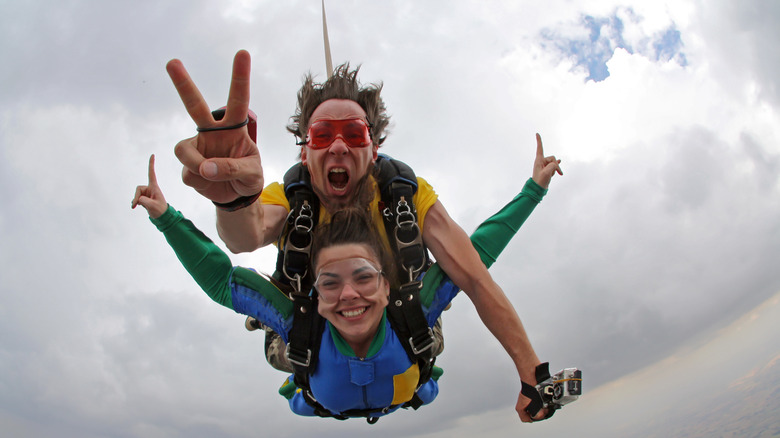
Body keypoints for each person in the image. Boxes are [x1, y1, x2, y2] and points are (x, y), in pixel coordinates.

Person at [165, 50, 563, 422]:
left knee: (433, 312)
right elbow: (245, 237)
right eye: (322, 135)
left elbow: (475, 275)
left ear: (374, 149)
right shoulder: (291, 199)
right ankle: (304, 374)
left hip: (405, 324)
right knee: (289, 339)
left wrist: (532, 372)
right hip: (309, 328)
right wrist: (234, 199)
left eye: (354, 133)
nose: (338, 145)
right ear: (305, 152)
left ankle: (413, 376)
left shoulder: (406, 196)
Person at [133, 148, 556, 420]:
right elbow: (224, 280)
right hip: (323, 390)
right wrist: (165, 217)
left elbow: (476, 255)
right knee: (294, 372)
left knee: (426, 368)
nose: (349, 294)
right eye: (330, 283)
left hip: (398, 382)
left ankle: (410, 374)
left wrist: (533, 191)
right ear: (314, 295)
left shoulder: (411, 309)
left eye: (364, 278)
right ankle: (301, 368)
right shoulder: (300, 321)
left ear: (388, 288)